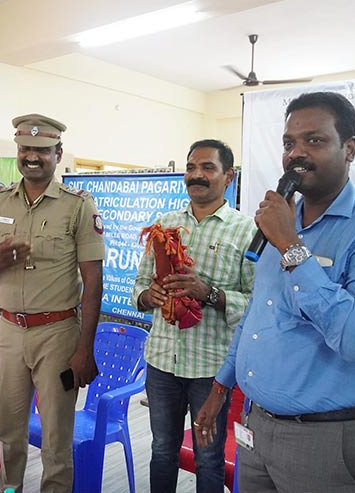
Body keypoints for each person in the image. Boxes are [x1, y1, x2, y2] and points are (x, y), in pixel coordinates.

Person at [195, 92, 355, 493]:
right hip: (256, 427)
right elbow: (258, 315)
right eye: (289, 143)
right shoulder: (283, 222)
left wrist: (290, 247)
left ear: (349, 148)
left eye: (314, 141)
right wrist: (220, 387)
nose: (296, 153)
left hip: (328, 441)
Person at [0, 113, 104, 493]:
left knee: (56, 441)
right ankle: (9, 488)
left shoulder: (78, 206)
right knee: (8, 431)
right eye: (25, 148)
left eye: (42, 150)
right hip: (9, 331)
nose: (32, 156)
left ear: (57, 154)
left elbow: (94, 282)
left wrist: (84, 349)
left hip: (58, 335)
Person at [130, 139, 255, 492]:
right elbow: (139, 283)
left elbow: (257, 305)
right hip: (161, 363)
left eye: (207, 168)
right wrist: (147, 295)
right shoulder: (164, 225)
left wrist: (210, 294)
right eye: (191, 167)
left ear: (228, 176)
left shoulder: (246, 231)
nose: (196, 175)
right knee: (162, 450)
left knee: (208, 457)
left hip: (211, 369)